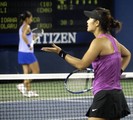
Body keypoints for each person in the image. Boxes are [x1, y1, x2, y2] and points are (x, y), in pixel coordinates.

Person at [41, 7, 131, 120]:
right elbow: (127, 55)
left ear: (97, 23)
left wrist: (61, 53)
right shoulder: (113, 40)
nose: (87, 21)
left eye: (90, 18)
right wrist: (119, 71)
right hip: (117, 95)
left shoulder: (98, 42)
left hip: (105, 96)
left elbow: (81, 65)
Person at [17, 11, 39, 97]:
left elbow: (27, 35)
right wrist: (29, 45)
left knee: (27, 72)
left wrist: (33, 37)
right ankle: (22, 85)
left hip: (21, 53)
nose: (32, 20)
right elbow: (23, 36)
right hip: (27, 53)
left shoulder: (22, 27)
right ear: (27, 18)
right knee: (36, 72)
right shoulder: (27, 26)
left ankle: (28, 91)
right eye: (31, 18)